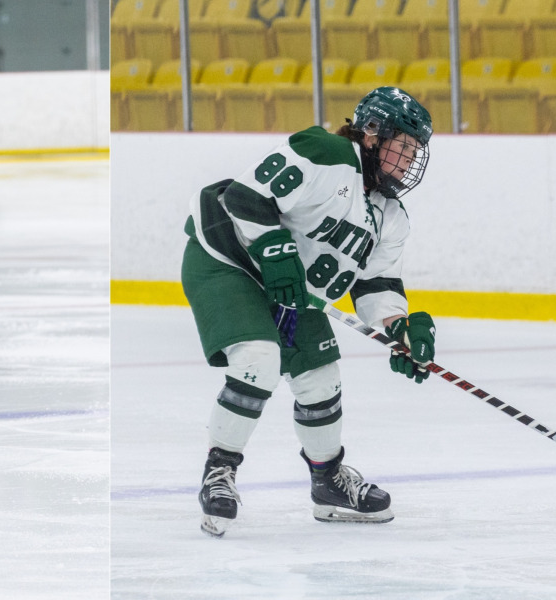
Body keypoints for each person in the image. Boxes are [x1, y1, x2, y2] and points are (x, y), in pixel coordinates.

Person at [181, 87, 437, 537]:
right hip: (229, 261)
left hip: (292, 290)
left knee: (321, 379)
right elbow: (245, 197)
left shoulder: (391, 216)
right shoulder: (327, 153)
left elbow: (375, 284)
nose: (409, 161)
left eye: (416, 152)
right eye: (406, 146)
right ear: (373, 133)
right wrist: (272, 245)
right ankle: (219, 471)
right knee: (259, 361)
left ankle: (328, 482)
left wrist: (399, 327)